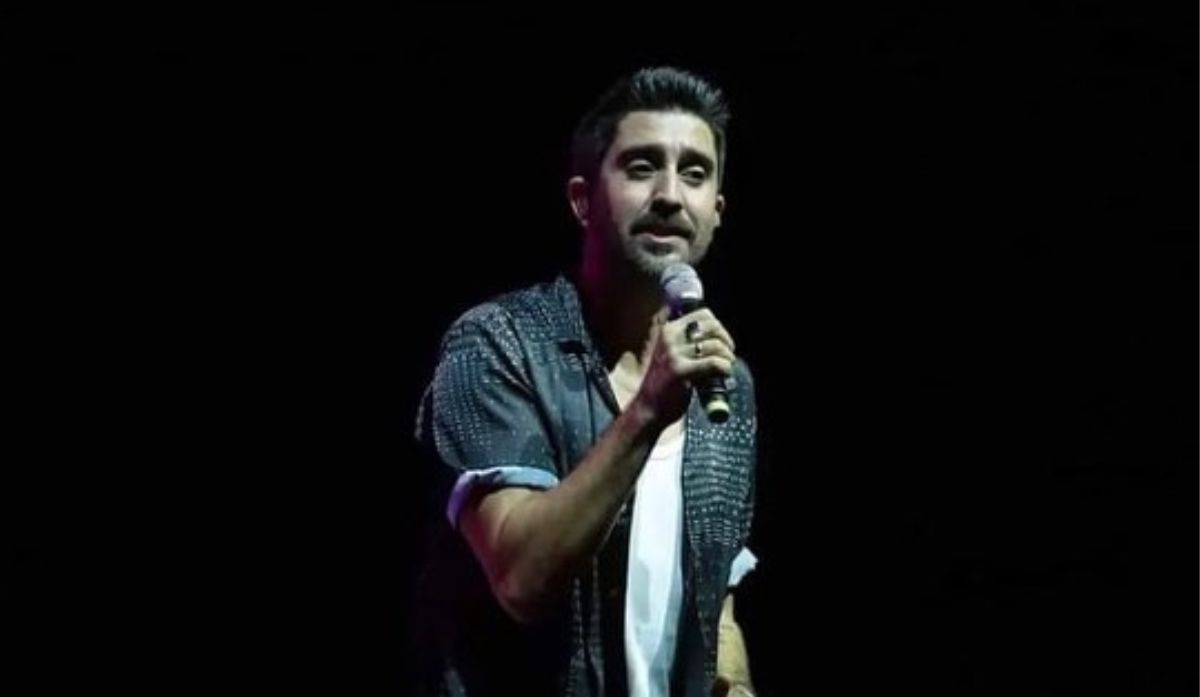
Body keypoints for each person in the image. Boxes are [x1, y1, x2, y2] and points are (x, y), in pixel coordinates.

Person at [409, 66, 760, 697]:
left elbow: (718, 593)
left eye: (695, 173)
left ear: (716, 212)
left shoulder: (726, 382)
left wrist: (734, 679)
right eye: (642, 167)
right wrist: (648, 410)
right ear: (582, 200)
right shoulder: (497, 344)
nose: (670, 195)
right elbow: (521, 579)